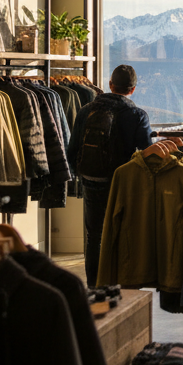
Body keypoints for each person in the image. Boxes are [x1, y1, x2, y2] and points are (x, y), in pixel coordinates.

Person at [66, 64, 154, 287]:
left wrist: (83, 176)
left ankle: (95, 284)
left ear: (110, 85)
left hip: (92, 181)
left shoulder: (87, 110)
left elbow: (73, 149)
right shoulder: (137, 115)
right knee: (123, 232)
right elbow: (145, 153)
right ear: (133, 89)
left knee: (93, 236)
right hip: (122, 183)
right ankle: (121, 282)